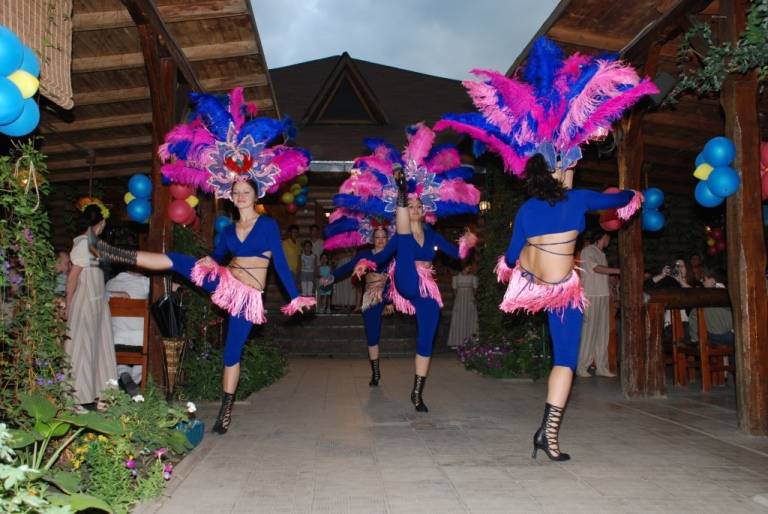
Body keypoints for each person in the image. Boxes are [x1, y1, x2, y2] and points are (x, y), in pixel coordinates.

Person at [435, 36, 655, 460]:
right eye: (572, 161)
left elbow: (510, 258)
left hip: (532, 286)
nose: (576, 165)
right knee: (565, 361)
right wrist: (635, 194)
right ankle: (548, 434)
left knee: (561, 356)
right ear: (561, 167)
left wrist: (520, 268)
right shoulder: (577, 199)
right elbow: (619, 198)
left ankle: (546, 435)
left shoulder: (526, 209)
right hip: (561, 292)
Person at [90, 87, 314, 434]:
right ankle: (115, 253)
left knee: (231, 353)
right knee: (177, 260)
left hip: (246, 298)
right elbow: (219, 256)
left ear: (255, 194)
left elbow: (281, 266)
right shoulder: (229, 231)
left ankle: (225, 410)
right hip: (225, 281)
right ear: (231, 196)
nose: (241, 195)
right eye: (236, 191)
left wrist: (295, 296)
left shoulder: (268, 225)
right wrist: (208, 260)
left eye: (246, 191)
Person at [347, 126, 480, 412]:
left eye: (418, 206)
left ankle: (417, 392)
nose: (416, 209)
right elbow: (382, 259)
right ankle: (400, 189)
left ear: (424, 210)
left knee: (428, 331)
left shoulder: (433, 236)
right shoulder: (401, 235)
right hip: (405, 279)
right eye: (411, 206)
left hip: (425, 288)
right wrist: (364, 264)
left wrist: (467, 244)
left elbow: (456, 255)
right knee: (404, 237)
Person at [322, 223, 395, 385]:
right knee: (372, 335)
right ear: (372, 239)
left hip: (386, 294)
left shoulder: (392, 255)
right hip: (370, 297)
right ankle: (375, 373)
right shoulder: (365, 254)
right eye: (377, 237)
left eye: (384, 237)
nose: (381, 240)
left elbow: (394, 278)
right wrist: (332, 277)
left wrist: (390, 300)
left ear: (388, 239)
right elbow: (349, 266)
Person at [65, 203, 118, 408]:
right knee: (81, 348)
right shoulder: (82, 244)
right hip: (85, 302)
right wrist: (69, 304)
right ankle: (75, 400)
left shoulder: (96, 244)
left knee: (99, 348)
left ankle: (102, 395)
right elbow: (73, 277)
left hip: (97, 302)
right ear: (101, 222)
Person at [576, 230, 619, 378]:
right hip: (590, 295)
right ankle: (582, 366)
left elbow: (604, 275)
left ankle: (602, 367)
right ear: (603, 236)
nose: (609, 240)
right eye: (608, 237)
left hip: (603, 295)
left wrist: (611, 290)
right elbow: (596, 268)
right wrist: (618, 270)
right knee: (589, 332)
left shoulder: (602, 254)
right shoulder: (588, 251)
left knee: (602, 333)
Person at [105, 269, 150, 393]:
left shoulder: (109, 283)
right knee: (153, 351)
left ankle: (124, 373)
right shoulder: (144, 282)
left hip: (114, 339)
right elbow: (171, 287)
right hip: (140, 340)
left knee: (119, 361)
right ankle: (133, 380)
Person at [688, 267, 734, 345]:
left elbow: (693, 316)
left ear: (712, 281)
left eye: (704, 279)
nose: (702, 282)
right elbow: (693, 315)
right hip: (721, 337)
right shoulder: (704, 298)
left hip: (719, 337)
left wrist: (695, 340)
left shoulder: (705, 298)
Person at [447, 263, 479, 348]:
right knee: (458, 318)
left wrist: (471, 298)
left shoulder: (473, 277)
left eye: (470, 267)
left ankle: (472, 341)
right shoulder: (456, 278)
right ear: (464, 267)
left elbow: (475, 290)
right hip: (459, 300)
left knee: (470, 319)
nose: (469, 268)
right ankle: (457, 342)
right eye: (468, 267)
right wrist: (459, 298)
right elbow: (454, 291)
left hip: (470, 300)